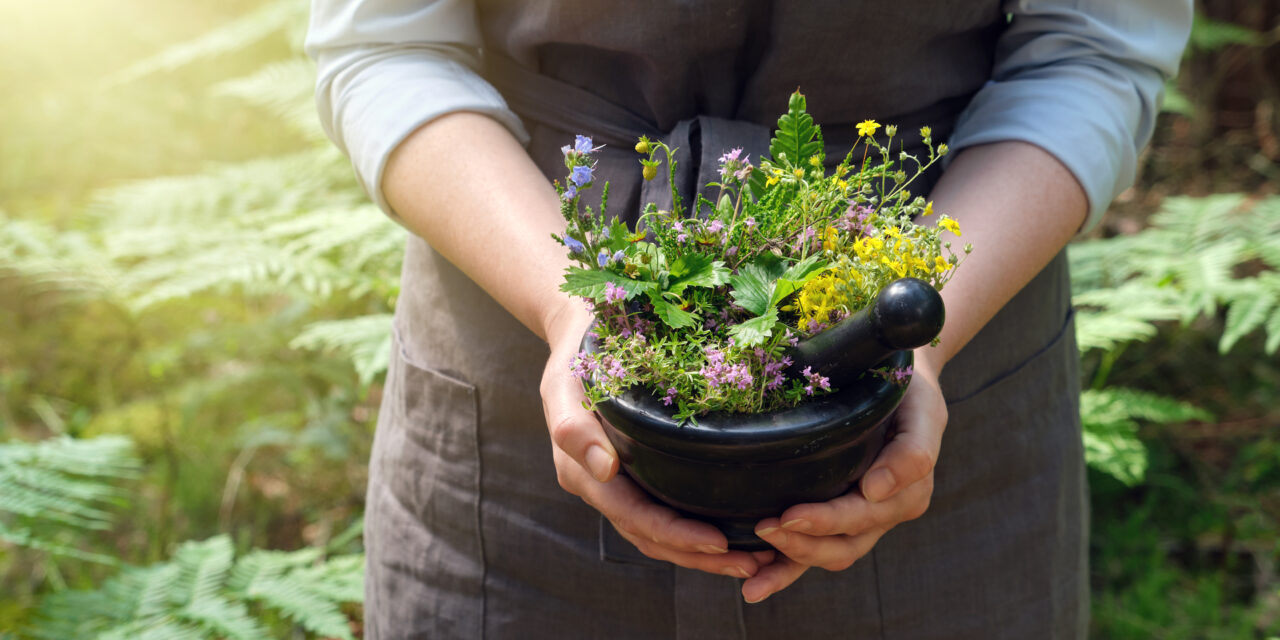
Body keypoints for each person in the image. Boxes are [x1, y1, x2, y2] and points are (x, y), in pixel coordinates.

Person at [306, 2, 1192, 637]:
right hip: (508, 410)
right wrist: (567, 305)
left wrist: (921, 342)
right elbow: (386, 46)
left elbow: (1093, 50)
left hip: (958, 391)